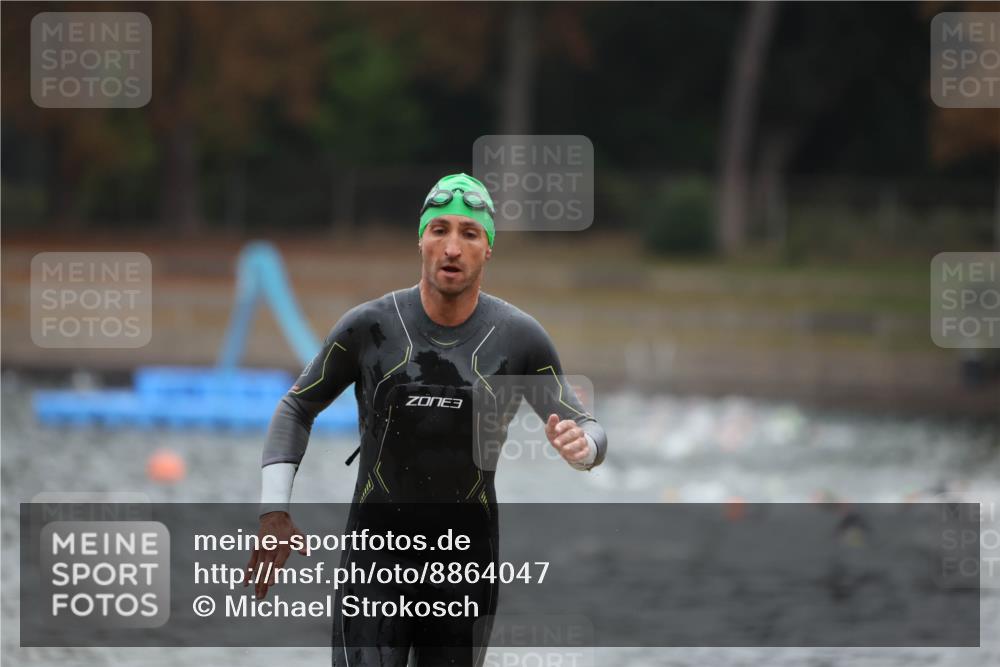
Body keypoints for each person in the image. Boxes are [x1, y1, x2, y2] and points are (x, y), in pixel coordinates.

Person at [246, 173, 608, 666]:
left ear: (488, 250)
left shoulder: (518, 339)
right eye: (439, 230)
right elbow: (296, 406)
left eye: (469, 233)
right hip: (375, 566)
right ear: (421, 239)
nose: (452, 247)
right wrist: (274, 512)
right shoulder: (370, 327)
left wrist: (581, 449)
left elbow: (588, 428)